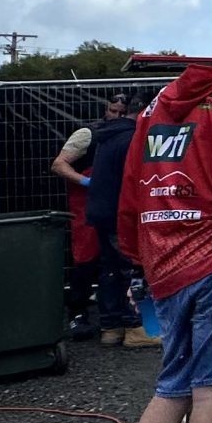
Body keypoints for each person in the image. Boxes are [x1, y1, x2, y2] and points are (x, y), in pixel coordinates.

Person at [90, 62, 212, 423]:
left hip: (162, 261)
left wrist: (137, 253)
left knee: (171, 388)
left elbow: (131, 188)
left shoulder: (153, 109)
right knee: (210, 393)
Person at [50, 93, 135, 342]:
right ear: (105, 109)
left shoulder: (126, 136)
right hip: (86, 205)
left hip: (110, 204)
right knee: (85, 260)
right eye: (112, 110)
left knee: (113, 264)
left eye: (121, 112)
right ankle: (78, 314)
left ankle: (112, 319)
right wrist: (87, 181)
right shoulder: (88, 134)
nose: (116, 115)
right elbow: (59, 165)